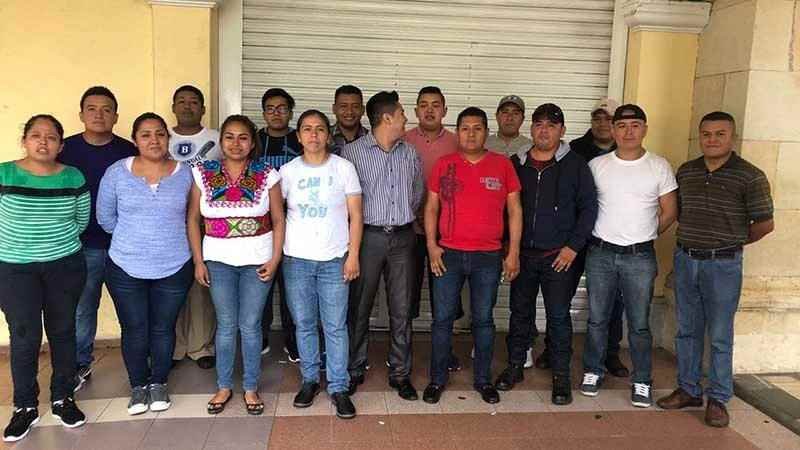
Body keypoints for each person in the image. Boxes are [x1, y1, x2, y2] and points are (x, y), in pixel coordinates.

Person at [657, 111, 774, 427]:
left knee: (720, 335)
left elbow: (764, 224)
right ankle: (688, 389)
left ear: (732, 137)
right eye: (706, 134)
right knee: (687, 329)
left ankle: (719, 399)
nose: (712, 140)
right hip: (686, 260)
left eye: (720, 134)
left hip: (723, 265)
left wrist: (729, 242)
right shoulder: (687, 171)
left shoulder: (750, 176)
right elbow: (680, 212)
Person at [495, 103, 597, 405]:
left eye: (551, 125)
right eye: (539, 124)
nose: (544, 130)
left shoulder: (576, 165)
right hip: (523, 255)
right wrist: (507, 248)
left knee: (558, 317)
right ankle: (515, 367)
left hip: (559, 257)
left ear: (562, 131)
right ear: (531, 128)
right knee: (519, 313)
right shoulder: (516, 163)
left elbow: (589, 209)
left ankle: (561, 377)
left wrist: (573, 247)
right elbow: (502, 208)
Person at [422, 107, 522, 405]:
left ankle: (483, 380)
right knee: (442, 319)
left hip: (488, 256)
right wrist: (431, 246)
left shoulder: (502, 165)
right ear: (458, 132)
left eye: (477, 128)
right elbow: (431, 207)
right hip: (448, 254)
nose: (471, 134)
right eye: (465, 128)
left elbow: (515, 210)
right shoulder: (444, 164)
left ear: (486, 132)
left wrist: (513, 252)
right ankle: (437, 379)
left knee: (483, 320)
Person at [580, 104, 678, 408]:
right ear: (613, 130)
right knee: (597, 319)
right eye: (621, 126)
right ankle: (593, 370)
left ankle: (642, 380)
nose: (628, 131)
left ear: (644, 129)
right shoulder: (597, 165)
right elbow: (585, 207)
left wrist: (645, 234)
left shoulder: (659, 166)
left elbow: (670, 210)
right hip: (600, 253)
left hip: (639, 257)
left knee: (639, 323)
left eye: (635, 125)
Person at [97, 112, 194, 415]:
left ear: (168, 138)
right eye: (146, 135)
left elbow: (193, 218)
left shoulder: (186, 174)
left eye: (160, 134)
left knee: (163, 328)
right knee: (135, 328)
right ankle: (138, 386)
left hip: (175, 265)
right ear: (135, 140)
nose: (154, 140)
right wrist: (136, 239)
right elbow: (105, 218)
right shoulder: (116, 172)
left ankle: (159, 383)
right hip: (125, 266)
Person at [1, 115, 90, 441]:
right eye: (36, 135)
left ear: (61, 145)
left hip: (64, 266)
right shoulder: (4, 174)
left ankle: (63, 398)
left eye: (51, 137)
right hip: (15, 269)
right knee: (24, 336)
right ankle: (24, 406)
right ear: (24, 140)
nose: (43, 142)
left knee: (63, 332)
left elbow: (81, 220)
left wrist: (52, 245)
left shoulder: (73, 176)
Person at [187, 114, 284, 416]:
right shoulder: (203, 172)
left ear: (252, 143)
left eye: (243, 137)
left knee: (250, 325)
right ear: (221, 141)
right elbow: (192, 218)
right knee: (226, 325)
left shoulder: (267, 173)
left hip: (258, 261)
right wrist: (198, 260)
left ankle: (251, 387)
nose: (236, 143)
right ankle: (224, 385)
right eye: (229, 137)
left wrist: (275, 259)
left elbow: (279, 219)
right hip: (218, 261)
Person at [536, 97, 629, 377]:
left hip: (608, 238)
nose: (602, 123)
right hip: (573, 239)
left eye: (608, 118)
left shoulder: (627, 152)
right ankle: (552, 349)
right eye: (597, 118)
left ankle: (610, 354)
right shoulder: (573, 150)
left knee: (612, 301)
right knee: (560, 299)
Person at [281, 109, 363, 419]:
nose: (313, 135)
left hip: (334, 260)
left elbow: (356, 215)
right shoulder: (287, 172)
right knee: (304, 324)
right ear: (298, 136)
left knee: (335, 326)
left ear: (328, 135)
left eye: (319, 129)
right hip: (297, 260)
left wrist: (353, 255)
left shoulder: (344, 168)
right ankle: (310, 380)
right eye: (307, 129)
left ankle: (339, 387)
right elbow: (276, 215)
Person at [342, 90, 423, 401]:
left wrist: (401, 218)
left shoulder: (410, 153)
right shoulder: (352, 153)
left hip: (403, 237)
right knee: (359, 305)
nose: (406, 118)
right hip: (367, 238)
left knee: (402, 308)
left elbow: (416, 194)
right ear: (387, 118)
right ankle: (354, 368)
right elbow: (345, 201)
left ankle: (400, 373)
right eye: (402, 113)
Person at [57, 86, 137, 389]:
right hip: (82, 245)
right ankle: (80, 363)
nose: (99, 115)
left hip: (123, 246)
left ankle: (139, 367)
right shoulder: (65, 149)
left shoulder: (129, 151)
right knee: (83, 308)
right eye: (92, 109)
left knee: (132, 310)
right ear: (81, 114)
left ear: (116, 116)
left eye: (106, 109)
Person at [403, 86, 462, 371]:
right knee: (406, 294)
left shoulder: (457, 142)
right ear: (416, 111)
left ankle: (444, 352)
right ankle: (403, 353)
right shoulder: (403, 140)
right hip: (410, 230)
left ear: (445, 111)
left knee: (445, 297)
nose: (429, 110)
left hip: (446, 233)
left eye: (435, 105)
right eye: (424, 105)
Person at [168, 85, 220, 370]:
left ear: (203, 108)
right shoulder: (162, 136)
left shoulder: (216, 139)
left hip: (206, 220)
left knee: (202, 283)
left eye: (193, 102)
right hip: (169, 221)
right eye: (181, 102)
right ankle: (175, 346)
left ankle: (201, 347)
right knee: (171, 284)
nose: (187, 106)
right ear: (173, 107)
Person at [255, 87, 300, 361]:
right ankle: (258, 337)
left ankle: (293, 341)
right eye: (270, 109)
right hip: (260, 227)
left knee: (291, 289)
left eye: (282, 108)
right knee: (261, 285)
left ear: (290, 112)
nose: (276, 113)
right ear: (263, 113)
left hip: (295, 225)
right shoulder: (255, 141)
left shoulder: (300, 139)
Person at [330, 85, 369, 155]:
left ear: (363, 110)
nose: (349, 112)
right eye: (343, 106)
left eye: (355, 106)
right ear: (334, 109)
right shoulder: (322, 138)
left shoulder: (372, 139)